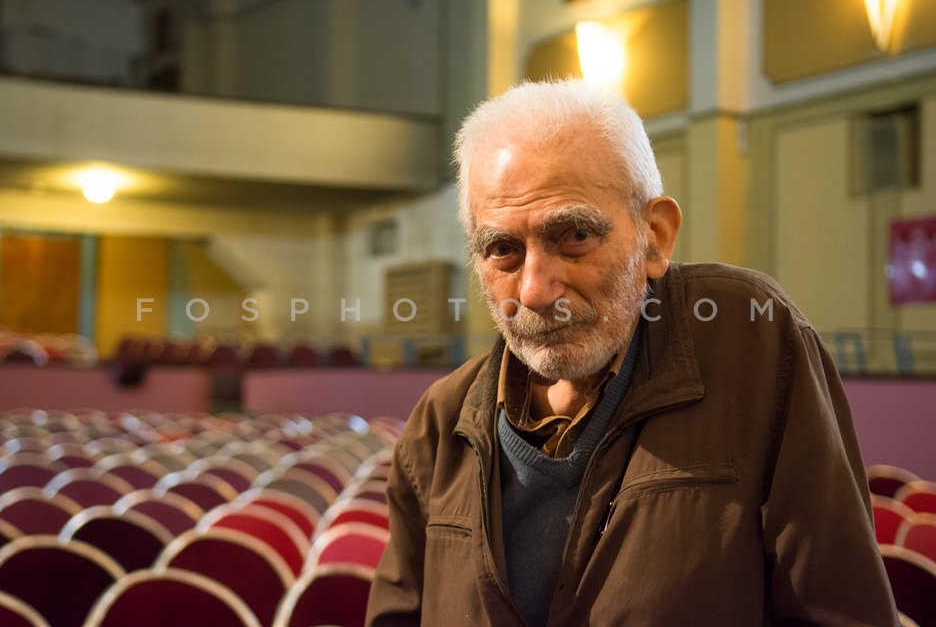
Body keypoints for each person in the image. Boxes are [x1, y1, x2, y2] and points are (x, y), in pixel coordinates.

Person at [365, 79, 898, 626]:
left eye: (574, 235)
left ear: (656, 236)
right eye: (503, 249)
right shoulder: (439, 424)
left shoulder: (754, 346)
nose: (533, 291)